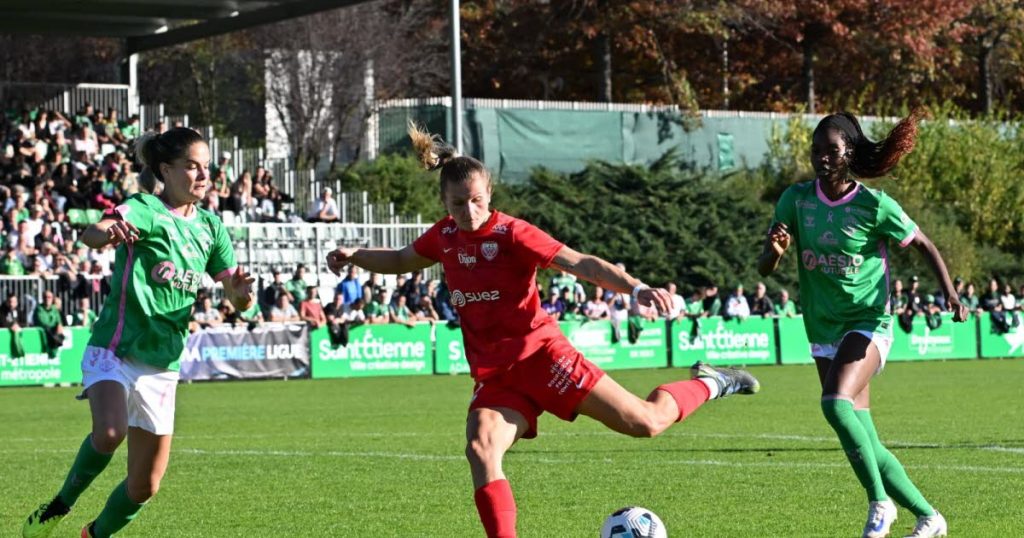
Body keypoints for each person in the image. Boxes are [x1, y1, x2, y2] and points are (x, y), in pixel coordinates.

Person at [326, 123, 759, 538]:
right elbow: (402, 259)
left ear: (489, 194)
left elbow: (579, 262)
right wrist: (355, 255)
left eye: (476, 200)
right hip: (498, 379)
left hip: (545, 359)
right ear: (444, 202)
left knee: (645, 421)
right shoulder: (443, 238)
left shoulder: (513, 233)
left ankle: (711, 382)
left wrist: (636, 288)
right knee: (481, 449)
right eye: (458, 204)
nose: (469, 211)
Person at [22, 127, 255, 538]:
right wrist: (107, 232)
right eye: (192, 167)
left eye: (207, 167)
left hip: (162, 365)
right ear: (166, 170)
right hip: (115, 349)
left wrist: (239, 294)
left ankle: (92, 535)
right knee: (109, 433)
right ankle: (56, 508)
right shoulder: (145, 208)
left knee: (144, 486)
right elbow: (92, 232)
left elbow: (238, 300)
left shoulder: (211, 228)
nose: (203, 175)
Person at [757, 111, 964, 538]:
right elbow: (765, 267)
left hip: (869, 321)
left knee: (834, 403)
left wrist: (950, 292)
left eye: (831, 150)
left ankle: (879, 504)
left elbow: (923, 244)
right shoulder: (795, 200)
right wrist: (775, 252)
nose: (822, 158)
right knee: (865, 438)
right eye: (816, 151)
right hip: (821, 327)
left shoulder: (874, 205)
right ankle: (930, 517)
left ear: (849, 151)